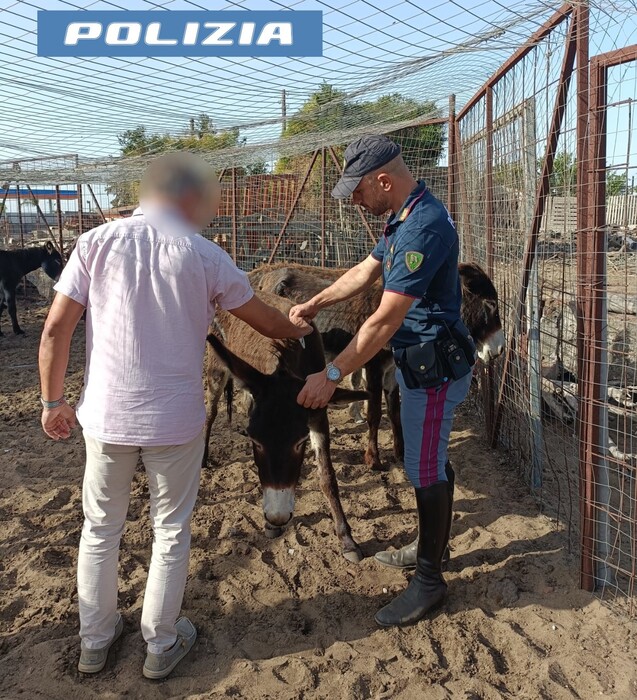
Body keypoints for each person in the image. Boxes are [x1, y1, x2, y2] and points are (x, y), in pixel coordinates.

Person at [38, 152, 311, 678]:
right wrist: (299, 327)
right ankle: (160, 646)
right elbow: (265, 320)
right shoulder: (205, 255)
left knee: (99, 529)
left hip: (106, 417)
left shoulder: (95, 243)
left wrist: (53, 402)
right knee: (170, 531)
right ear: (188, 196)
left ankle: (94, 642)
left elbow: (55, 330)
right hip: (175, 422)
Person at [290, 135, 475, 627]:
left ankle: (430, 581)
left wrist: (332, 375)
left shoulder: (424, 227)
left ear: (384, 181)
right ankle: (426, 548)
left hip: (432, 368)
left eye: (357, 191)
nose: (354, 201)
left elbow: (384, 321)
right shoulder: (403, 217)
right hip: (419, 364)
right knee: (428, 463)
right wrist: (318, 302)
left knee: (424, 469)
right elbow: (364, 271)